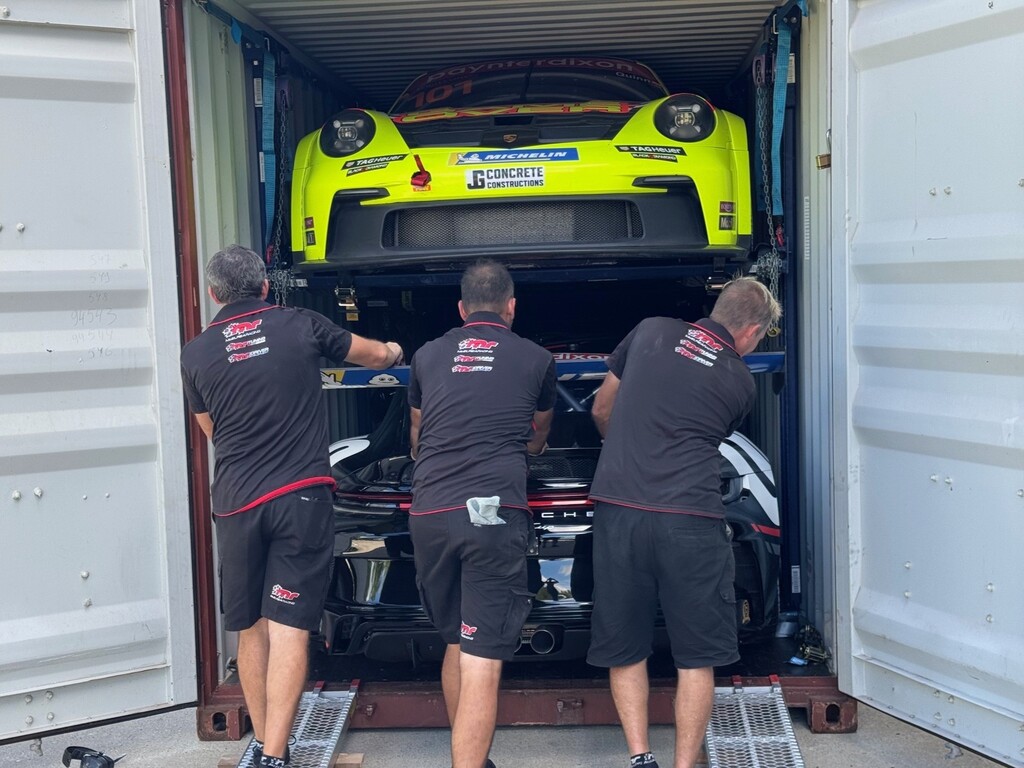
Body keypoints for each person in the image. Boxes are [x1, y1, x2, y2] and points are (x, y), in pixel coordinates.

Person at [179, 245, 403, 768]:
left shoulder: (196, 353)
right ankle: (277, 756)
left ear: (214, 293)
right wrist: (394, 349)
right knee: (289, 627)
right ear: (264, 287)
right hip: (299, 499)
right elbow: (372, 356)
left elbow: (211, 431)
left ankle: (264, 744)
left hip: (237, 504)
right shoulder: (300, 324)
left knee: (250, 628)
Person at [586, 277, 781, 768]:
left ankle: (640, 757)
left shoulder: (650, 330)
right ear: (751, 331)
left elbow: (602, 408)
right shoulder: (741, 382)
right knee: (697, 655)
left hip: (621, 510)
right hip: (691, 519)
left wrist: (626, 452)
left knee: (625, 645)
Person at [407, 259, 556, 768]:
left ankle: (469, 756)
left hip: (430, 512)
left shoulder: (427, 356)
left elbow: (417, 436)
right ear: (511, 307)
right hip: (491, 514)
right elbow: (538, 435)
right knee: (482, 657)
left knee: (458, 639)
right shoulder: (536, 358)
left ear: (461, 309)